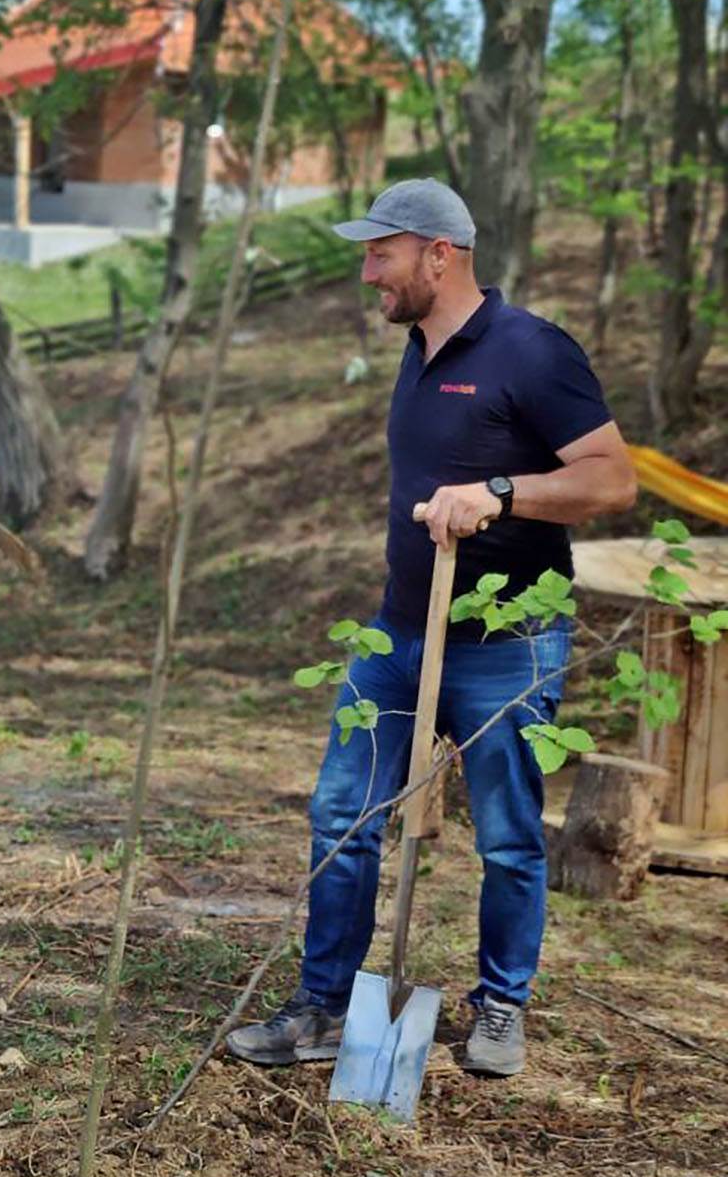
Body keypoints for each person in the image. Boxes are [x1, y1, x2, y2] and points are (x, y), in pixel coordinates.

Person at [227, 179, 637, 1079]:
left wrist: (500, 493)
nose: (368, 272)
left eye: (382, 253)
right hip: (397, 639)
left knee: (508, 836)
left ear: (439, 254)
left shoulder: (533, 350)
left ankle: (501, 1004)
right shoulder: (417, 351)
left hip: (507, 647)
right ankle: (323, 1006)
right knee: (343, 816)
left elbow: (613, 479)